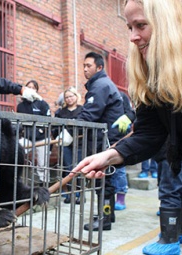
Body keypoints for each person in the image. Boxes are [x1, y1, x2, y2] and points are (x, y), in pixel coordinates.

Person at [71, 0, 182, 254]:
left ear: (168, 21)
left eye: (141, 25)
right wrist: (110, 155)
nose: (133, 37)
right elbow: (149, 132)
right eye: (129, 27)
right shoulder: (150, 63)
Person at [76, 52, 125, 231]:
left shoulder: (100, 85)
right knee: (106, 180)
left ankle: (104, 219)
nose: (85, 69)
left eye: (88, 65)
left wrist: (71, 128)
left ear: (99, 68)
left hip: (104, 140)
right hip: (103, 139)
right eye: (84, 66)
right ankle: (107, 215)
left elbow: (90, 113)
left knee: (103, 182)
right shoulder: (101, 84)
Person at [17, 80, 52, 184]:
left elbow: (48, 120)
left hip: (42, 138)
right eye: (28, 87)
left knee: (42, 164)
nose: (30, 89)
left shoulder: (42, 104)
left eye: (33, 87)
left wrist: (41, 131)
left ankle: (44, 186)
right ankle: (18, 182)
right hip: (27, 138)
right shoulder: (21, 106)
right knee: (16, 153)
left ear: (36, 90)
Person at [54, 87, 83, 204]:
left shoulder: (83, 110)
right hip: (65, 144)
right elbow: (55, 127)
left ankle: (80, 194)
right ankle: (70, 194)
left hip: (80, 143)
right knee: (68, 168)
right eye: (67, 97)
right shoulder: (61, 112)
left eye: (71, 96)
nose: (69, 99)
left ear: (76, 96)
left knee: (79, 167)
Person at [110, 91, 136, 210]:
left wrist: (128, 120)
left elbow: (130, 112)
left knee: (119, 169)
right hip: (104, 136)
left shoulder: (121, 96)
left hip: (119, 136)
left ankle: (120, 198)